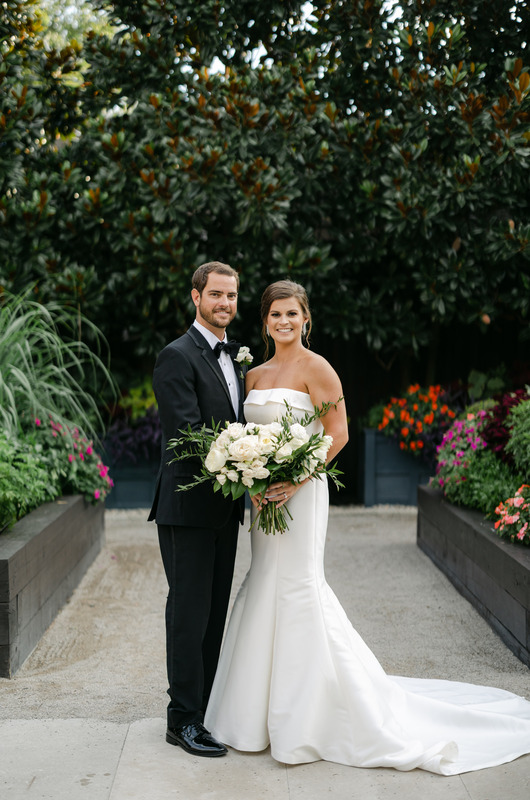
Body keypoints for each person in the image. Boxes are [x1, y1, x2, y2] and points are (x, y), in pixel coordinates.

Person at [204, 279, 530, 775]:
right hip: (263, 500)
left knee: (297, 589)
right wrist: (250, 476)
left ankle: (309, 719)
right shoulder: (256, 374)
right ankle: (252, 717)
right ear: (265, 321)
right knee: (263, 581)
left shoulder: (320, 369)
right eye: (275, 316)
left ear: (306, 318)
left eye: (292, 314)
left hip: (302, 494)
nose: (284, 322)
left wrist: (294, 480)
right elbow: (248, 436)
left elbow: (338, 434)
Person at [148, 261, 247, 758]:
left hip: (226, 510)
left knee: (212, 614)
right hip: (187, 508)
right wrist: (249, 458)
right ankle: (181, 720)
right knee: (188, 613)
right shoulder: (175, 356)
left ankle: (203, 712)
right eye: (216, 295)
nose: (225, 304)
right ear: (195, 297)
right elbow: (187, 436)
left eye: (231, 296)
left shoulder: (237, 360)